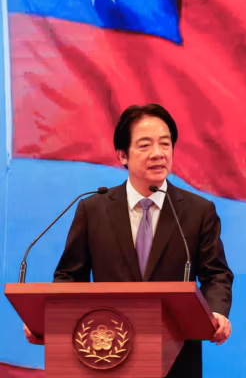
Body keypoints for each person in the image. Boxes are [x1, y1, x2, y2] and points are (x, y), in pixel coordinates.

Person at [24, 104, 234, 377]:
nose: (158, 153)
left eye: (165, 144)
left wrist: (216, 312)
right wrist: (48, 321)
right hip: (107, 357)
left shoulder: (198, 211)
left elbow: (216, 274)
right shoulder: (93, 209)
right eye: (145, 145)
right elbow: (70, 276)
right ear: (122, 155)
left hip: (178, 361)